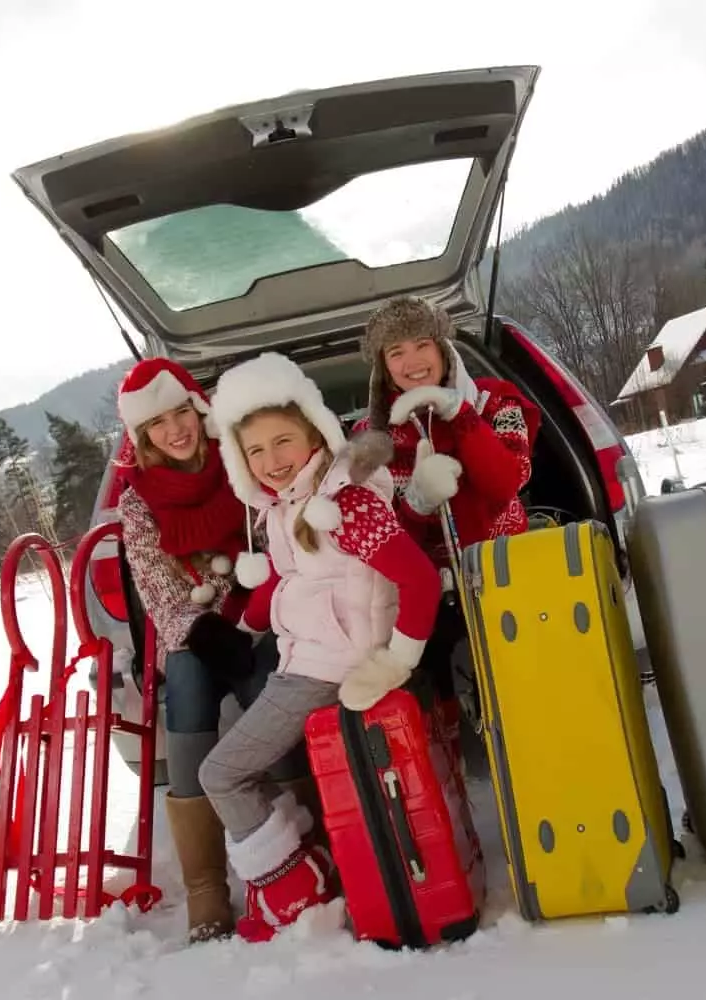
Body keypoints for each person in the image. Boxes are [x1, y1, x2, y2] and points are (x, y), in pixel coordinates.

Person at [198, 351, 441, 942]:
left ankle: (295, 894)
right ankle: (308, 867)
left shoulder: (344, 504)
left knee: (220, 773)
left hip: (332, 667)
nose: (271, 462)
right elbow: (291, 580)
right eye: (255, 451)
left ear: (314, 434)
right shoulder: (285, 508)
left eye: (283, 442)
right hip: (305, 656)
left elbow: (420, 580)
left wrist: (395, 662)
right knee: (236, 736)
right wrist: (242, 630)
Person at [116, 357, 255, 943]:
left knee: (270, 682)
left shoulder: (241, 461)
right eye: (157, 424)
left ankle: (313, 846)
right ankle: (206, 889)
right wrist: (206, 632)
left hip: (256, 609)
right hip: (195, 631)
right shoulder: (136, 503)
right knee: (189, 692)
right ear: (142, 436)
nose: (176, 430)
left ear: (199, 409)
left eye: (182, 413)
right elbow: (159, 596)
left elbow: (271, 533)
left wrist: (253, 614)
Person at [355, 294, 540, 715]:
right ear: (383, 367)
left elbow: (508, 481)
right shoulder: (370, 439)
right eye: (396, 352)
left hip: (502, 571)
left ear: (443, 348)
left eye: (422, 344)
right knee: (428, 676)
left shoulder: (497, 402)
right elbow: (382, 536)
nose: (413, 361)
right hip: (426, 592)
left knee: (520, 687)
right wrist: (418, 502)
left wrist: (460, 414)